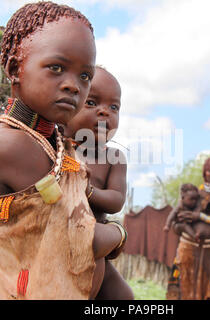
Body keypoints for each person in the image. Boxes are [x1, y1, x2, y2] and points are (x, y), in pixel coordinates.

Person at [0, 2, 126, 300]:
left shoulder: (52, 140)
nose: (73, 86)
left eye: (85, 76)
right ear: (15, 69)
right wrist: (120, 234)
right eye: (56, 68)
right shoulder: (12, 145)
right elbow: (81, 240)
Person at [63, 66, 134, 300]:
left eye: (114, 107)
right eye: (92, 103)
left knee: (123, 296)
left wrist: (88, 191)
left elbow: (116, 200)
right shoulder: (57, 148)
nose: (105, 113)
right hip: (60, 239)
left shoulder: (113, 157)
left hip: (98, 242)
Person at [167, 157, 210, 300]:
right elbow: (177, 220)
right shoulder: (194, 194)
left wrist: (200, 216)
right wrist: (179, 226)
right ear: (205, 173)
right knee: (183, 288)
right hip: (187, 249)